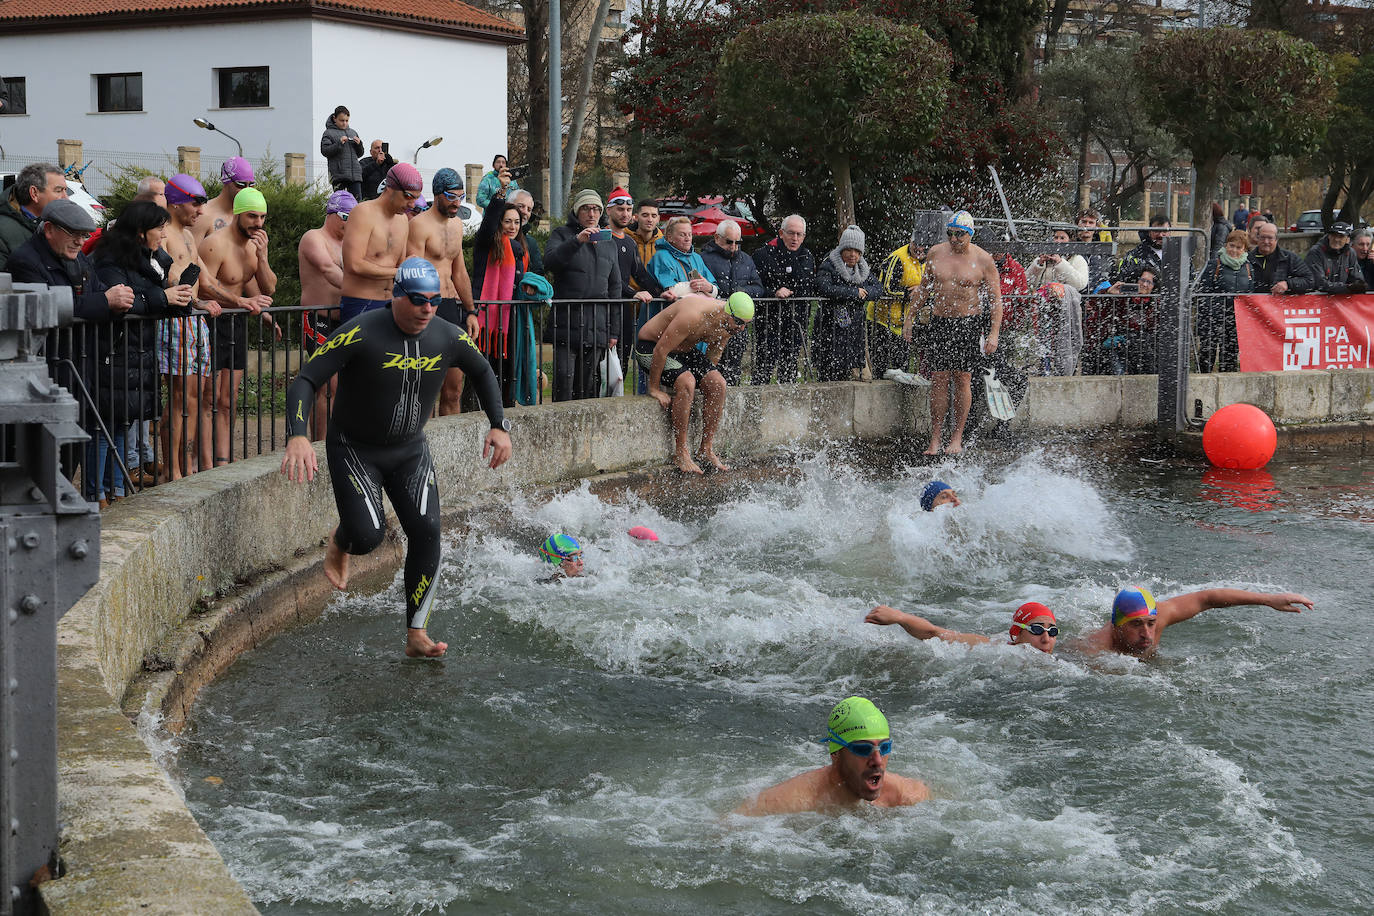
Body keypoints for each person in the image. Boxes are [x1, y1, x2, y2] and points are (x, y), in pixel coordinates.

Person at [279, 257, 512, 659]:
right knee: (367, 538)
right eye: (419, 300)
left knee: (427, 532)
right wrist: (298, 436)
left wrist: (499, 424)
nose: (427, 309)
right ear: (398, 295)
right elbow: (305, 379)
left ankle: (416, 633)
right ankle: (342, 539)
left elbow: (483, 371)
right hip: (355, 449)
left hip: (410, 450)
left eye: (435, 301)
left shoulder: (449, 336)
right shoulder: (361, 331)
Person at [7, 200, 135, 494]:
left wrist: (116, 299)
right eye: (73, 233)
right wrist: (105, 302)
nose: (80, 241)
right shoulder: (26, 261)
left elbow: (97, 291)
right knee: (45, 452)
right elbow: (49, 307)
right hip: (47, 370)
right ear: (49, 229)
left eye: (84, 234)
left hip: (79, 366)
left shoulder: (78, 258)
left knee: (73, 445)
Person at [89, 201, 195, 505]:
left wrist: (180, 298)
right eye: (159, 228)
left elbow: (156, 298)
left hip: (138, 353)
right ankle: (97, 493)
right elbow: (122, 302)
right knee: (104, 425)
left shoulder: (154, 259)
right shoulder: (110, 260)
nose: (164, 235)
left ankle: (118, 490)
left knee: (123, 421)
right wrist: (162, 296)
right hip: (113, 352)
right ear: (139, 232)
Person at [903, 210, 1002, 456]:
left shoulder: (983, 259)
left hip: (968, 324)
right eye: (950, 234)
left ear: (970, 234)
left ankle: (956, 437)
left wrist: (993, 333)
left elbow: (996, 299)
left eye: (960, 234)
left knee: (962, 379)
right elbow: (924, 290)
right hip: (940, 322)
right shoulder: (936, 252)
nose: (954, 239)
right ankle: (935, 438)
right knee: (938, 379)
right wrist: (909, 318)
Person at [732, 697, 929, 815]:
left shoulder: (907, 796)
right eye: (862, 749)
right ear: (836, 753)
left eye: (884, 748)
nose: (877, 761)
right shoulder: (787, 804)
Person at [198, 186, 276, 466]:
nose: (258, 224)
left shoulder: (254, 248)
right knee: (208, 399)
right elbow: (202, 289)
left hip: (237, 326)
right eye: (253, 217)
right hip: (212, 323)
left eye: (263, 217)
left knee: (228, 400)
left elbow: (268, 289)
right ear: (238, 214)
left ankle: (223, 459)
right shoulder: (214, 244)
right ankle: (206, 463)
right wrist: (241, 301)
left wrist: (264, 257)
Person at [634, 292, 752, 474]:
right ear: (728, 313)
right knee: (687, 381)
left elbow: (712, 357)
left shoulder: (728, 327)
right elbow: (660, 351)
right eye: (739, 322)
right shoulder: (693, 316)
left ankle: (706, 449)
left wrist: (707, 381)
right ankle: (681, 452)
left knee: (718, 383)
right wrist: (654, 388)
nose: (741, 328)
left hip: (682, 351)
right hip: (650, 348)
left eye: (746, 324)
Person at [159, 174, 223, 479]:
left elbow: (201, 280)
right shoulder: (164, 233)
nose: (201, 211)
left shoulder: (186, 235)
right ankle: (173, 470)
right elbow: (167, 279)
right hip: (175, 323)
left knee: (197, 396)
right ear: (175, 202)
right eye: (196, 203)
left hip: (194, 321)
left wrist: (205, 303)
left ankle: (186, 468)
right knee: (180, 397)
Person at [407, 167, 480, 415]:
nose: (457, 203)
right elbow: (413, 272)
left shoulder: (457, 225)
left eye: (460, 196)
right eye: (451, 196)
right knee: (424, 390)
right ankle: (420, 448)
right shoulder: (419, 225)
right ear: (437, 194)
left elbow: (459, 272)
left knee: (454, 388)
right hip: (426, 310)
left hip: (451, 309)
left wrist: (471, 311)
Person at [1079, 586, 1311, 658]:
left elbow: (1206, 599)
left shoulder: (1161, 616)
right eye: (1136, 625)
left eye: (1150, 623)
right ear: (1117, 625)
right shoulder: (1094, 650)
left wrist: (1268, 600)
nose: (1147, 634)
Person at [544, 189, 622, 401]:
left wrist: (613, 330)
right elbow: (550, 262)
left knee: (587, 387)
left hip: (597, 325)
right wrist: (577, 241)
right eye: (586, 208)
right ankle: (559, 429)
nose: (591, 213)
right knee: (563, 382)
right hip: (567, 323)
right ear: (577, 211)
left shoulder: (609, 243)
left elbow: (615, 287)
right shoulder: (561, 234)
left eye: (596, 209)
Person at [298, 190, 357, 440]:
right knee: (327, 385)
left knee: (347, 385)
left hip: (342, 319)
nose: (349, 223)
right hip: (317, 319)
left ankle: (340, 439)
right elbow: (327, 269)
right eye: (346, 216)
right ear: (332, 214)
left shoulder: (350, 243)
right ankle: (321, 445)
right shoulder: (313, 238)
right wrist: (359, 290)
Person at [471, 182, 535, 406]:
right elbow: (488, 224)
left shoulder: (522, 251)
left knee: (508, 374)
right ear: (499, 222)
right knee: (486, 374)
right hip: (486, 321)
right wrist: (500, 195)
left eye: (517, 222)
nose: (512, 226)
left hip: (511, 323)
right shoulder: (486, 243)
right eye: (507, 221)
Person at [341, 162, 422, 321]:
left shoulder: (403, 221)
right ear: (390, 188)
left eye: (416, 198)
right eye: (408, 196)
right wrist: (398, 271)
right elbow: (354, 265)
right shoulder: (363, 213)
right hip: (361, 302)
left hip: (391, 303)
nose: (412, 204)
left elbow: (400, 267)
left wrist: (410, 266)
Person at [699, 218, 764, 385]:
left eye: (738, 242)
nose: (734, 246)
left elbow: (758, 288)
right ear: (717, 238)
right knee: (709, 368)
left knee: (733, 369)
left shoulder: (746, 259)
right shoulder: (704, 258)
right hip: (713, 322)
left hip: (738, 326)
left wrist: (740, 294)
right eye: (729, 242)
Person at [813, 224, 882, 382]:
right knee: (828, 372)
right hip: (830, 327)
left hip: (852, 330)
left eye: (857, 251)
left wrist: (864, 293)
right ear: (841, 248)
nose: (853, 255)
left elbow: (878, 289)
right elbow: (824, 288)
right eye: (849, 250)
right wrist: (853, 293)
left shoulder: (863, 268)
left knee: (847, 371)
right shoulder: (828, 264)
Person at [751, 214, 815, 385]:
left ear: (804, 236)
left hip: (796, 321)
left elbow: (806, 285)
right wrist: (774, 292)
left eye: (799, 234)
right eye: (791, 233)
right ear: (781, 233)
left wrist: (790, 260)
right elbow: (756, 287)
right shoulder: (763, 254)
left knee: (790, 368)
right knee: (764, 365)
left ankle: (788, 404)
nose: (795, 238)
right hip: (769, 320)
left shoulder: (806, 256)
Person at [605, 186, 660, 375]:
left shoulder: (629, 242)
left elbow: (641, 275)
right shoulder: (601, 238)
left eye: (628, 210)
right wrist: (633, 292)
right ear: (609, 210)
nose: (625, 214)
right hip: (604, 310)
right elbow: (609, 279)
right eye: (620, 209)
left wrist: (664, 292)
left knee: (621, 368)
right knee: (601, 371)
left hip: (624, 312)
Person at [865, 601, 1058, 654]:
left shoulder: (1060, 662)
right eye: (1037, 630)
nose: (1046, 639)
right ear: (1017, 633)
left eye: (1052, 631)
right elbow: (935, 633)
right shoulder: (993, 649)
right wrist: (900, 617)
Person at [1195, 230, 1255, 373]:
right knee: (1206, 357)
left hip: (1234, 322)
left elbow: (1250, 294)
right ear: (1226, 245)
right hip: (1211, 320)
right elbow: (1203, 292)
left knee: (1229, 358)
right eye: (1231, 245)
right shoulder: (1213, 264)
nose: (1233, 250)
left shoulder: (1248, 267)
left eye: (1238, 247)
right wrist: (1211, 314)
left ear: (1244, 249)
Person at [873, 228, 927, 379]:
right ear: (910, 241)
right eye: (915, 244)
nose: (918, 248)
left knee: (901, 367)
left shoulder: (928, 260)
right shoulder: (897, 257)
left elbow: (932, 288)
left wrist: (921, 290)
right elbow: (885, 288)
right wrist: (909, 294)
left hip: (905, 321)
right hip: (883, 320)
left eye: (922, 246)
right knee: (881, 367)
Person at [1088, 267, 1158, 375]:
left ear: (1154, 287)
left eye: (1149, 282)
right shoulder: (1123, 298)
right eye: (1142, 280)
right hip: (1116, 345)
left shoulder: (1155, 304)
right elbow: (1094, 306)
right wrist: (1108, 293)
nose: (1144, 285)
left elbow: (1154, 332)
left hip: (1141, 350)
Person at [1, 162, 68, 271]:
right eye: (59, 190)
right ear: (34, 193)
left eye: (65, 190)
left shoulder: (58, 225)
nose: (66, 198)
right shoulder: (3, 233)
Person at [191, 157, 256, 245]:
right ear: (226, 182)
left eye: (251, 185)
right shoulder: (203, 215)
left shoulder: (249, 215)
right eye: (240, 185)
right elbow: (190, 256)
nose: (246, 190)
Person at [1248, 221, 1316, 295]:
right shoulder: (1248, 259)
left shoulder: (1290, 258)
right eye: (1262, 237)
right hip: (1253, 304)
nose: (1266, 241)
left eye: (1270, 238)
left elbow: (1309, 281)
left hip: (1282, 304)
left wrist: (1288, 284)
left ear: (1276, 239)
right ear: (1257, 238)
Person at [1304, 220, 1366, 295]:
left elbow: (1357, 278)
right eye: (1333, 235)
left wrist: (1357, 286)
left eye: (1341, 236)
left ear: (1347, 239)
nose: (1336, 239)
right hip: (1317, 299)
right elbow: (1319, 283)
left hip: (1342, 300)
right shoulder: (1316, 252)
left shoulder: (1350, 253)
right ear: (1329, 236)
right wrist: (1346, 288)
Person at [1109, 213, 1170, 286]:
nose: (1160, 235)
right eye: (1156, 230)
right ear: (1149, 231)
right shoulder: (1134, 256)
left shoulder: (1177, 254)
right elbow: (1123, 283)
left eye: (1164, 231)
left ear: (1170, 232)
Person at [319, 105, 364, 201]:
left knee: (357, 204)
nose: (344, 123)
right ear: (334, 118)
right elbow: (325, 151)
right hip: (339, 176)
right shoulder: (328, 133)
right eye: (342, 120)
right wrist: (339, 144)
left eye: (347, 121)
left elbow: (360, 154)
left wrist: (359, 144)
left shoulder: (353, 132)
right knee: (341, 205)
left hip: (355, 176)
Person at [1024, 228, 1089, 292]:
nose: (1058, 241)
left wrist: (1060, 263)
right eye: (1056, 237)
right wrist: (1039, 264)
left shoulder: (1077, 259)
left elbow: (1081, 284)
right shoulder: (1043, 258)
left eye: (1062, 238)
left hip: (1066, 300)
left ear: (1070, 241)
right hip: (1040, 298)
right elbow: (1026, 281)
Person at [508, 189, 545, 276]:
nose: (525, 212)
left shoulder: (531, 243)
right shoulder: (494, 235)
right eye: (521, 206)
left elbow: (538, 273)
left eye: (529, 209)